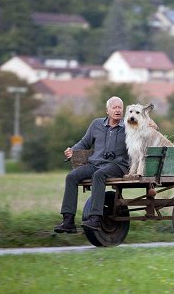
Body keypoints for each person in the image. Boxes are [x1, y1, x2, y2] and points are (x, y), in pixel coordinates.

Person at [54, 96, 130, 233]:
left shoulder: (129, 126)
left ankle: (95, 218)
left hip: (118, 165)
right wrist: (72, 150)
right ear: (107, 110)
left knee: (98, 175)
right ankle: (68, 221)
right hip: (95, 163)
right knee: (71, 177)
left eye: (120, 107)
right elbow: (84, 143)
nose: (118, 110)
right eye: (114, 107)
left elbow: (145, 130)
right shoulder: (96, 124)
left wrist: (152, 125)